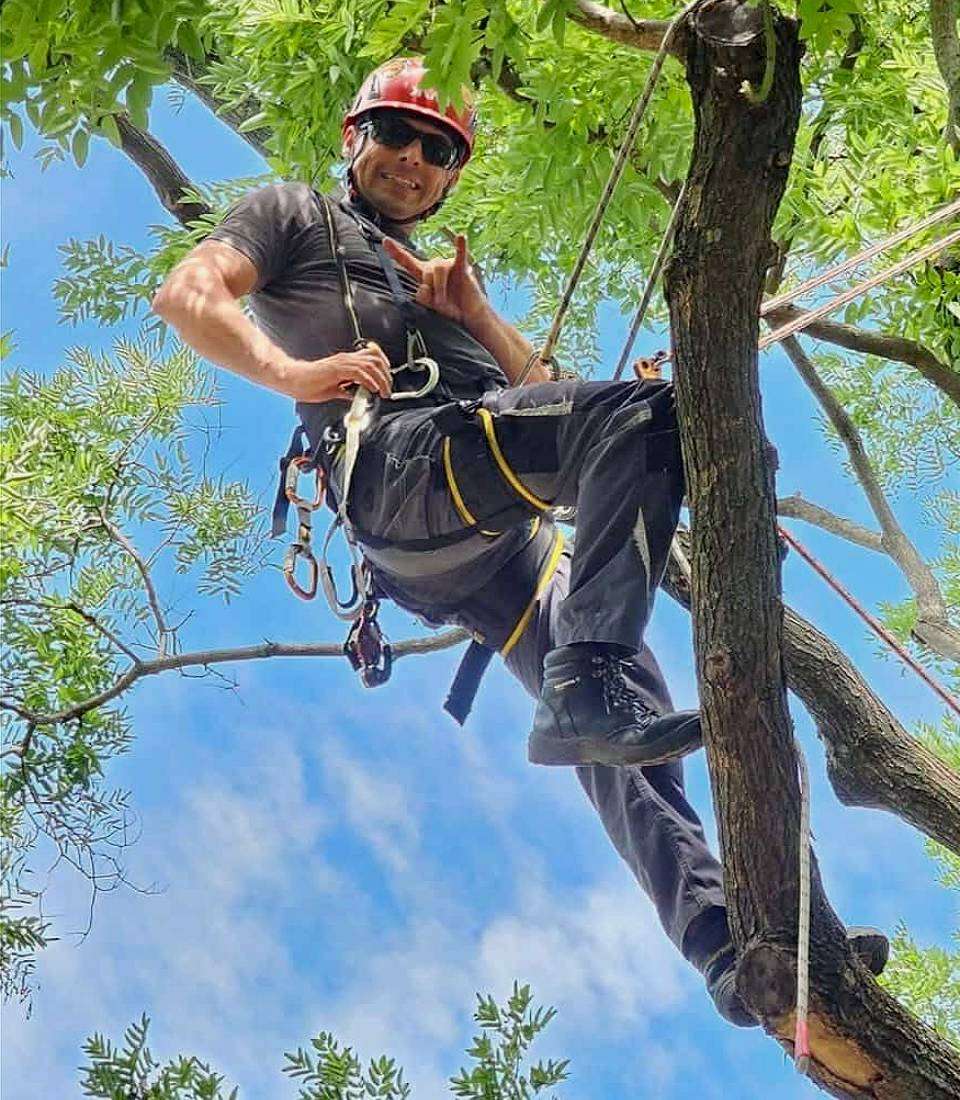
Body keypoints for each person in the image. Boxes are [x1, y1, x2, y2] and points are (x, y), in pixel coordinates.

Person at [153, 56, 887, 1026]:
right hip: (403, 474)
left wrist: (476, 313)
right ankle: (588, 672)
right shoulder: (296, 215)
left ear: (454, 173)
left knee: (632, 737)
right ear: (352, 138)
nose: (414, 159)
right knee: (642, 429)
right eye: (397, 135)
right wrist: (297, 373)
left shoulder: (440, 279)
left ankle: (739, 949)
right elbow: (188, 293)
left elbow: (558, 402)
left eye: (439, 147)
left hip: (500, 542)